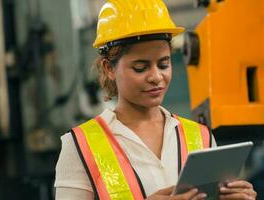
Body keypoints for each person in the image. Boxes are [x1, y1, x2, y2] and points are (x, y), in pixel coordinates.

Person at [54, 0, 257, 199]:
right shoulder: (80, 146)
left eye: (163, 64)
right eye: (140, 68)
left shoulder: (200, 137)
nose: (156, 77)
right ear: (109, 69)